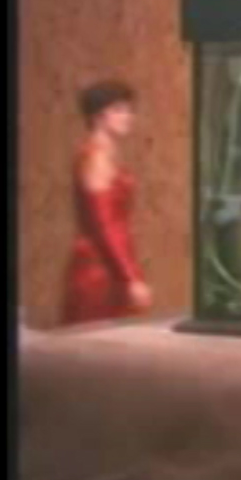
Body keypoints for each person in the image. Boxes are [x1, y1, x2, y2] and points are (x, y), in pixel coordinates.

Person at [62, 80, 152, 324]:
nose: (128, 117)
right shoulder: (97, 157)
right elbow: (104, 225)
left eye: (130, 110)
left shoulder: (106, 154)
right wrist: (130, 278)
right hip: (99, 267)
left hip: (111, 262)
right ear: (98, 116)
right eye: (119, 110)